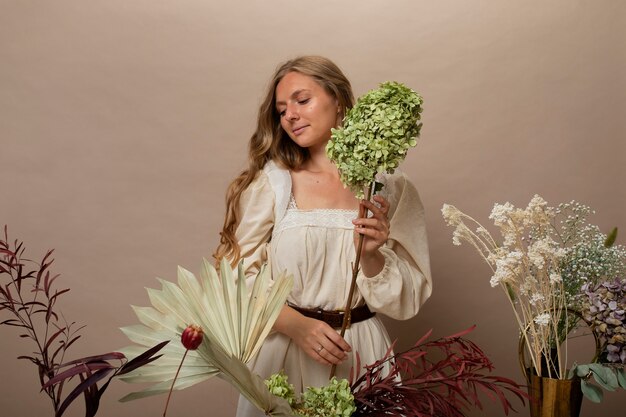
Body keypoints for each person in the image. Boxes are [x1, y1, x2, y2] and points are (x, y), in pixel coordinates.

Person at [213, 56, 432, 416]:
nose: (290, 116)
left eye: (302, 100)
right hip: (283, 354)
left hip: (362, 356)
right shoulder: (274, 182)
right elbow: (233, 279)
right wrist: (293, 325)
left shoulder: (390, 188)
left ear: (340, 101)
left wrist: (372, 256)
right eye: (282, 110)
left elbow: (406, 300)